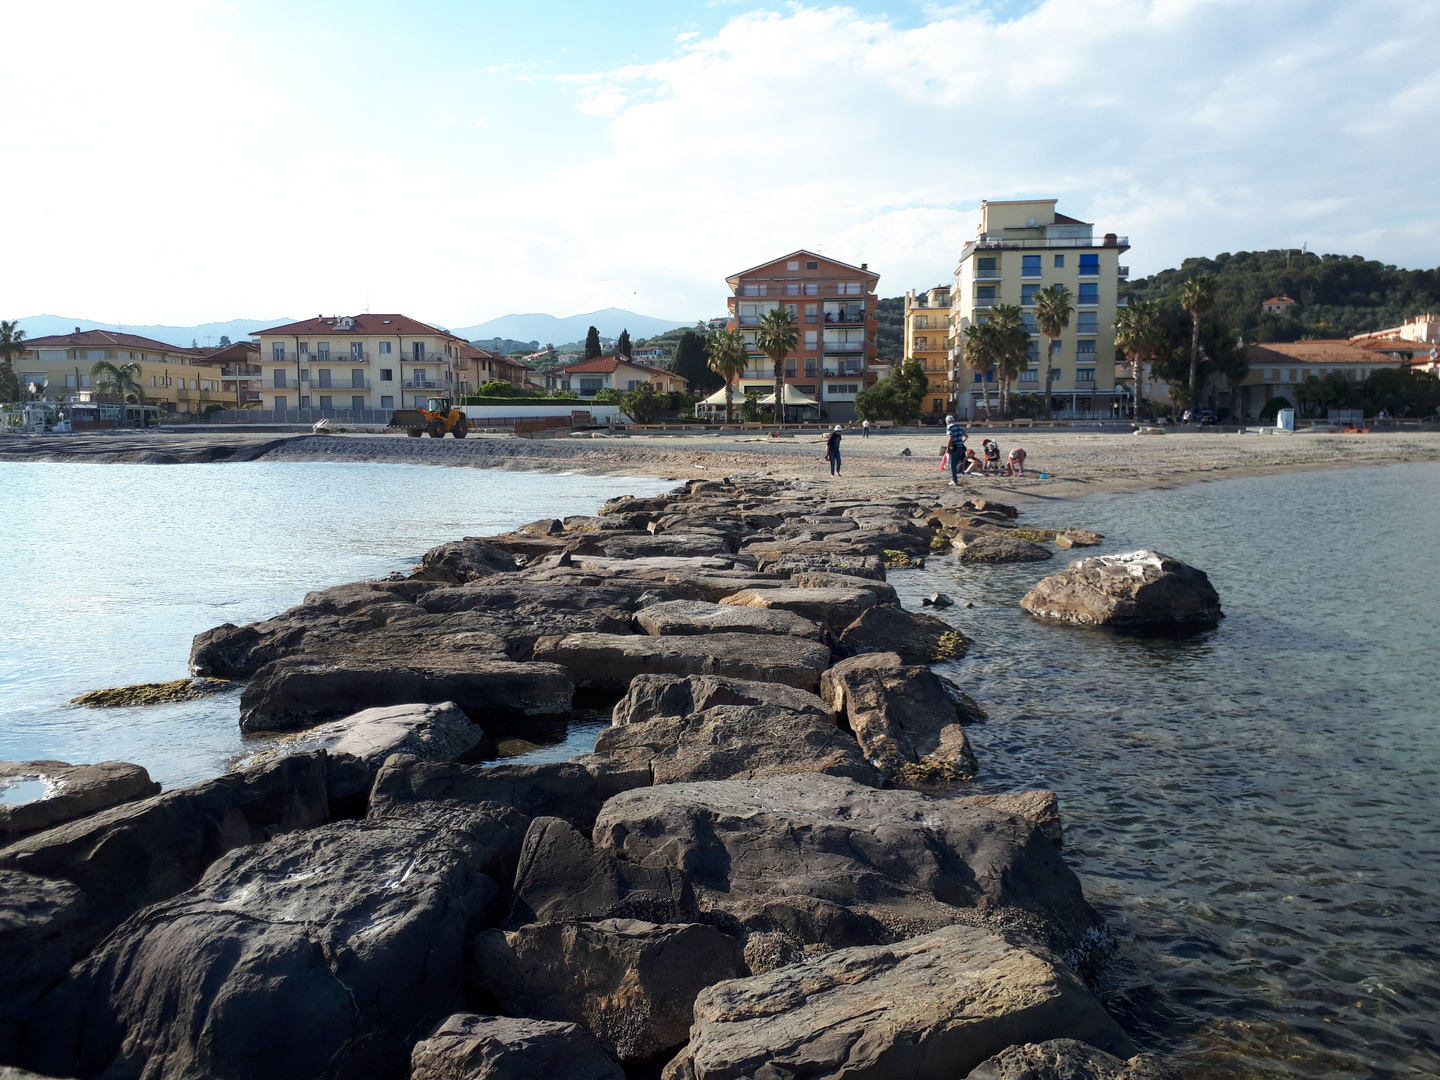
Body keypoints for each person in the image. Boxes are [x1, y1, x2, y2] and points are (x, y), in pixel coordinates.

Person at [944, 413, 967, 485]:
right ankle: (955, 478)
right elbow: (966, 436)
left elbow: (950, 438)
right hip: (960, 447)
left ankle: (954, 480)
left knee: (952, 464)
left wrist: (947, 448)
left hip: (954, 447)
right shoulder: (959, 427)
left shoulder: (950, 427)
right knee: (956, 463)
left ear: (947, 421)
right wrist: (961, 442)